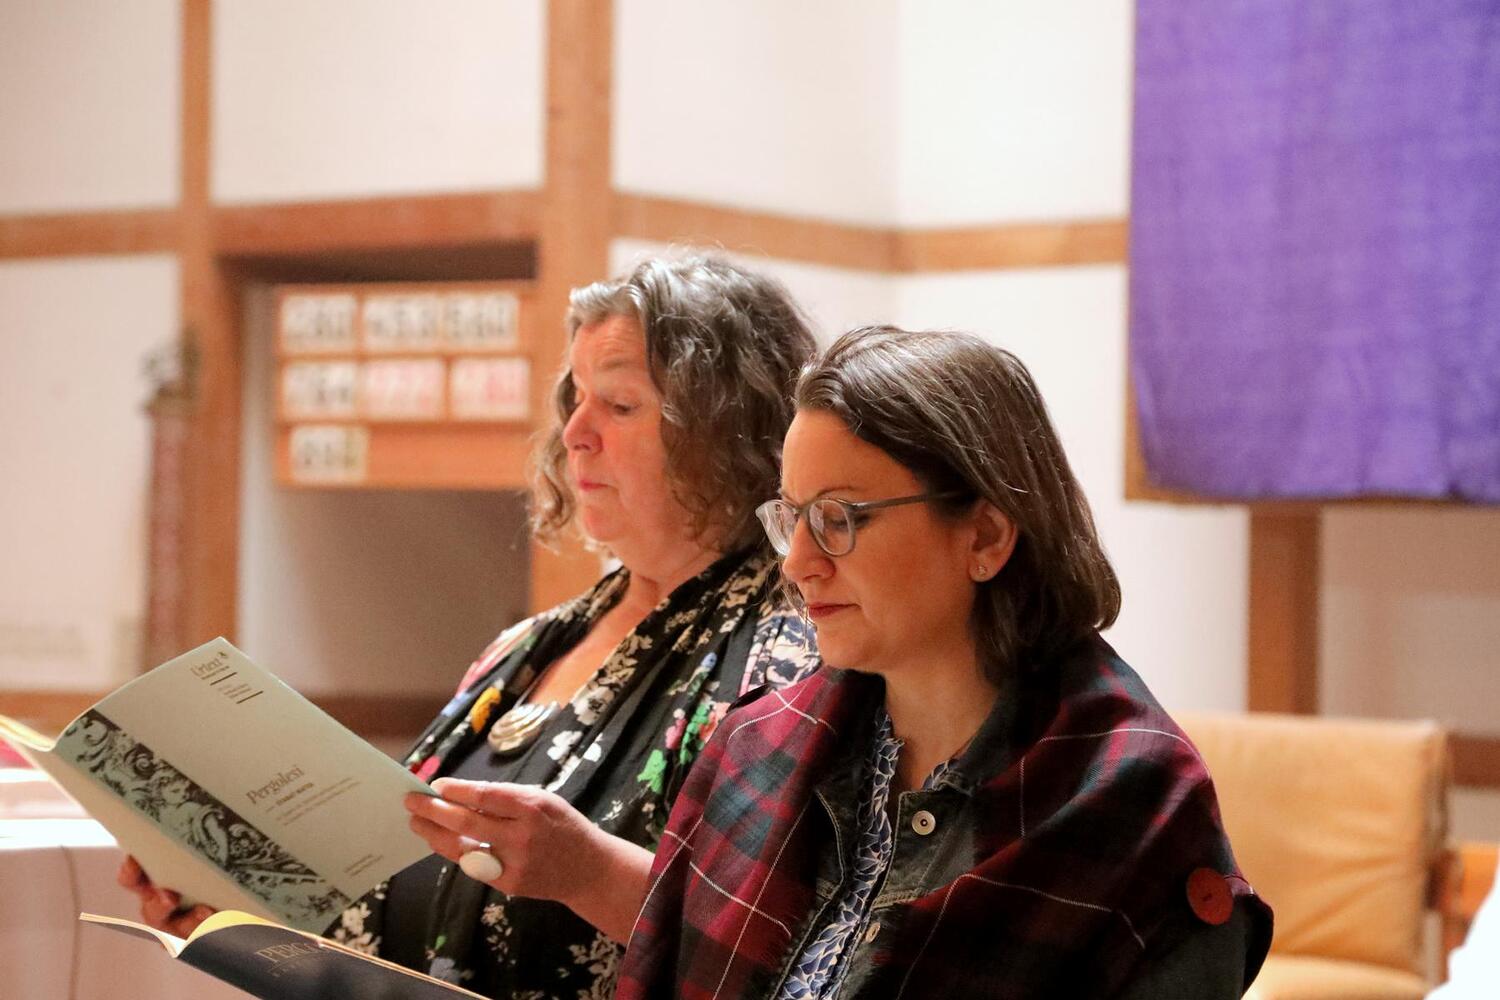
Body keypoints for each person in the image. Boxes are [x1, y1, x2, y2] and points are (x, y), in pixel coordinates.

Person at [119, 255, 822, 998]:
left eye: (620, 405)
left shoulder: (789, 657)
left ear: (727, 431)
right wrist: (238, 917)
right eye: (575, 398)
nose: (576, 432)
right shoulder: (524, 649)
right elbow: (396, 901)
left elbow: (799, 952)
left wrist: (591, 874)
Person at [615, 326, 1275, 998]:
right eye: (793, 517)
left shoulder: (1138, 802)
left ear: (984, 536)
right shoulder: (751, 748)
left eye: (839, 518)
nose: (798, 563)